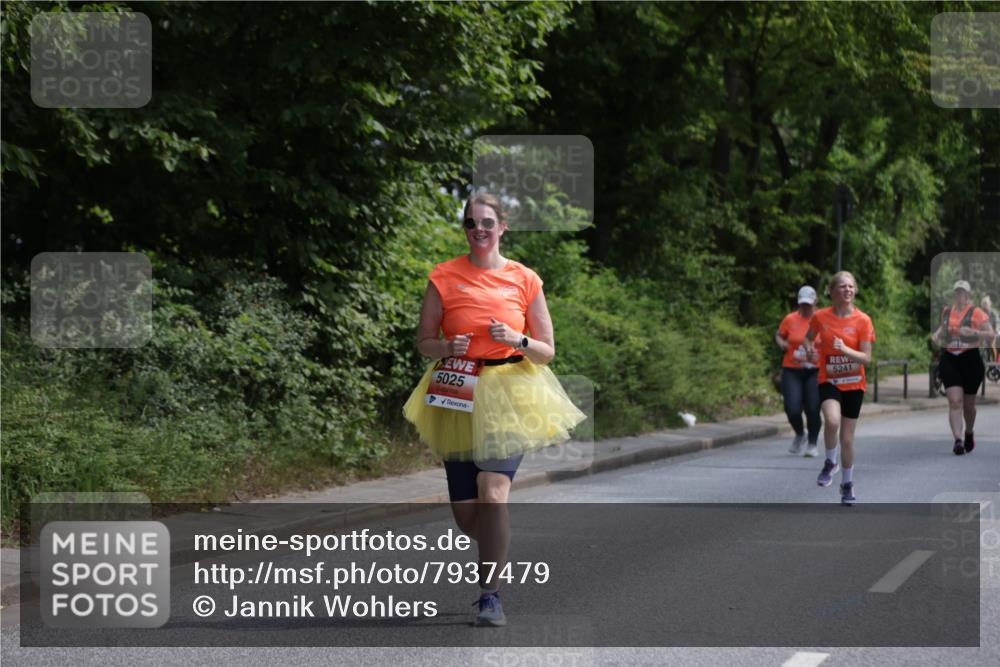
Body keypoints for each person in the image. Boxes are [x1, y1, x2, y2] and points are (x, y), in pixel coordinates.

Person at [403, 192, 586, 626]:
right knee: (469, 515)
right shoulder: (444, 276)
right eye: (471, 223)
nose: (478, 230)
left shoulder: (525, 278)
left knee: (493, 495)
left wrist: (517, 339)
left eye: (487, 222)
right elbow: (424, 342)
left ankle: (490, 595)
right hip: (457, 389)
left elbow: (546, 351)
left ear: (502, 227)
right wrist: (447, 347)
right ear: (465, 229)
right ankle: (494, 542)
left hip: (510, 391)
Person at [802, 271, 875, 506]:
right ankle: (830, 462)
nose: (847, 290)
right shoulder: (821, 317)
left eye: (851, 286)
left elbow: (866, 358)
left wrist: (845, 350)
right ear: (832, 291)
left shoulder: (863, 320)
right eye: (842, 286)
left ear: (855, 291)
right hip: (830, 380)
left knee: (847, 439)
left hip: (854, 383)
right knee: (832, 421)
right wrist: (810, 348)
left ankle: (847, 484)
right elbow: (808, 338)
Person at [931, 281, 995, 455]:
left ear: (968, 295)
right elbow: (941, 330)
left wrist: (974, 333)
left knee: (969, 405)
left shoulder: (977, 313)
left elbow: (991, 334)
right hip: (950, 358)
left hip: (970, 359)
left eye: (963, 292)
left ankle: (969, 432)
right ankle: (958, 440)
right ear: (954, 294)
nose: (960, 295)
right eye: (957, 292)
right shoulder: (947, 312)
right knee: (954, 401)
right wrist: (936, 337)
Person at [775, 286, 823, 457]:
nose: (805, 308)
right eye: (802, 304)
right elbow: (779, 334)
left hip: (815, 370)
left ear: (815, 302)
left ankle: (812, 443)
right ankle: (800, 434)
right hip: (792, 368)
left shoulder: (822, 319)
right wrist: (782, 343)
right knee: (792, 408)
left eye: (808, 304)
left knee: (813, 407)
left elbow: (832, 340)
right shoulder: (790, 319)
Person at [982, 295, 999, 363]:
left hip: (995, 333)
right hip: (986, 334)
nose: (985, 306)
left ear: (989, 304)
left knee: (992, 344)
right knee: (985, 345)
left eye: (986, 304)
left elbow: (997, 324)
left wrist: (995, 331)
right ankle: (987, 360)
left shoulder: (994, 314)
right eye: (984, 304)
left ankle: (996, 361)